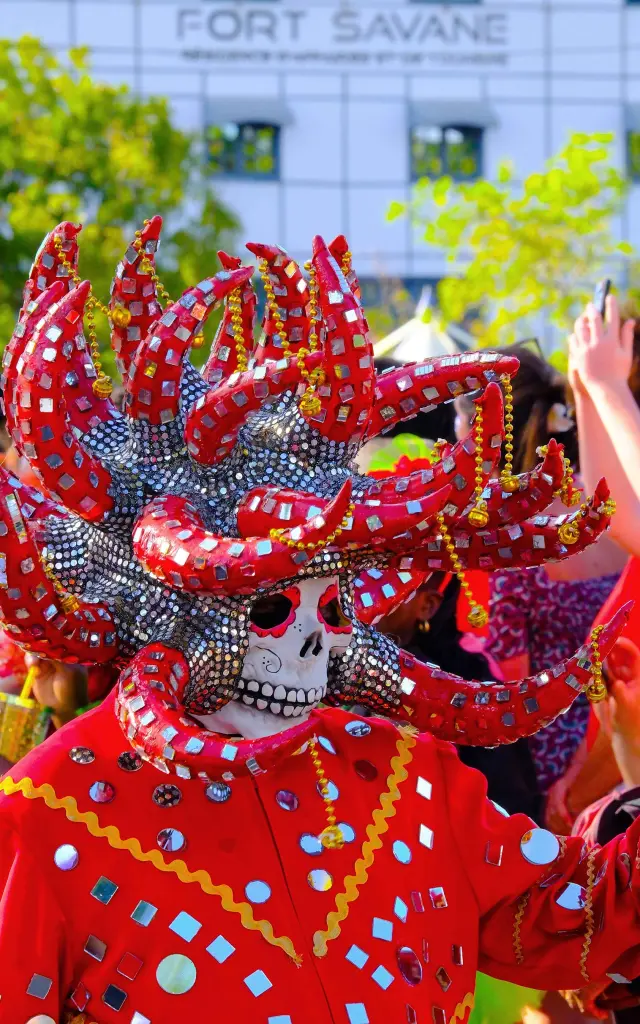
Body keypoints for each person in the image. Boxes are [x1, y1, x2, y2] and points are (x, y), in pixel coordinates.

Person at [0, 218, 637, 1024]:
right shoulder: (47, 816)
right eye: (268, 605)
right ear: (161, 595)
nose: (313, 641)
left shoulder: (407, 774)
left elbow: (572, 921)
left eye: (332, 606)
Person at [464, 344, 627, 826]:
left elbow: (517, 696)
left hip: (552, 776)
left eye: (456, 421)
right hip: (620, 749)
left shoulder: (511, 537)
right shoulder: (606, 495)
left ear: (483, 431)